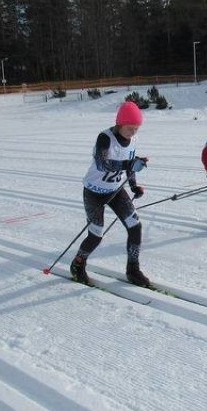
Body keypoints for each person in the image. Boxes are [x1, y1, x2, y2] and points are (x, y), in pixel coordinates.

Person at [70, 101, 150, 287]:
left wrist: (133, 186)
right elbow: (102, 163)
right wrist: (129, 165)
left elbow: (129, 166)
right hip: (94, 193)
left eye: (136, 129)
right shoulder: (105, 138)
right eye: (130, 128)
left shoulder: (133, 141)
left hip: (115, 191)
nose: (133, 132)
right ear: (120, 123)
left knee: (135, 227)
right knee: (96, 235)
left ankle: (133, 269)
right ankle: (78, 264)